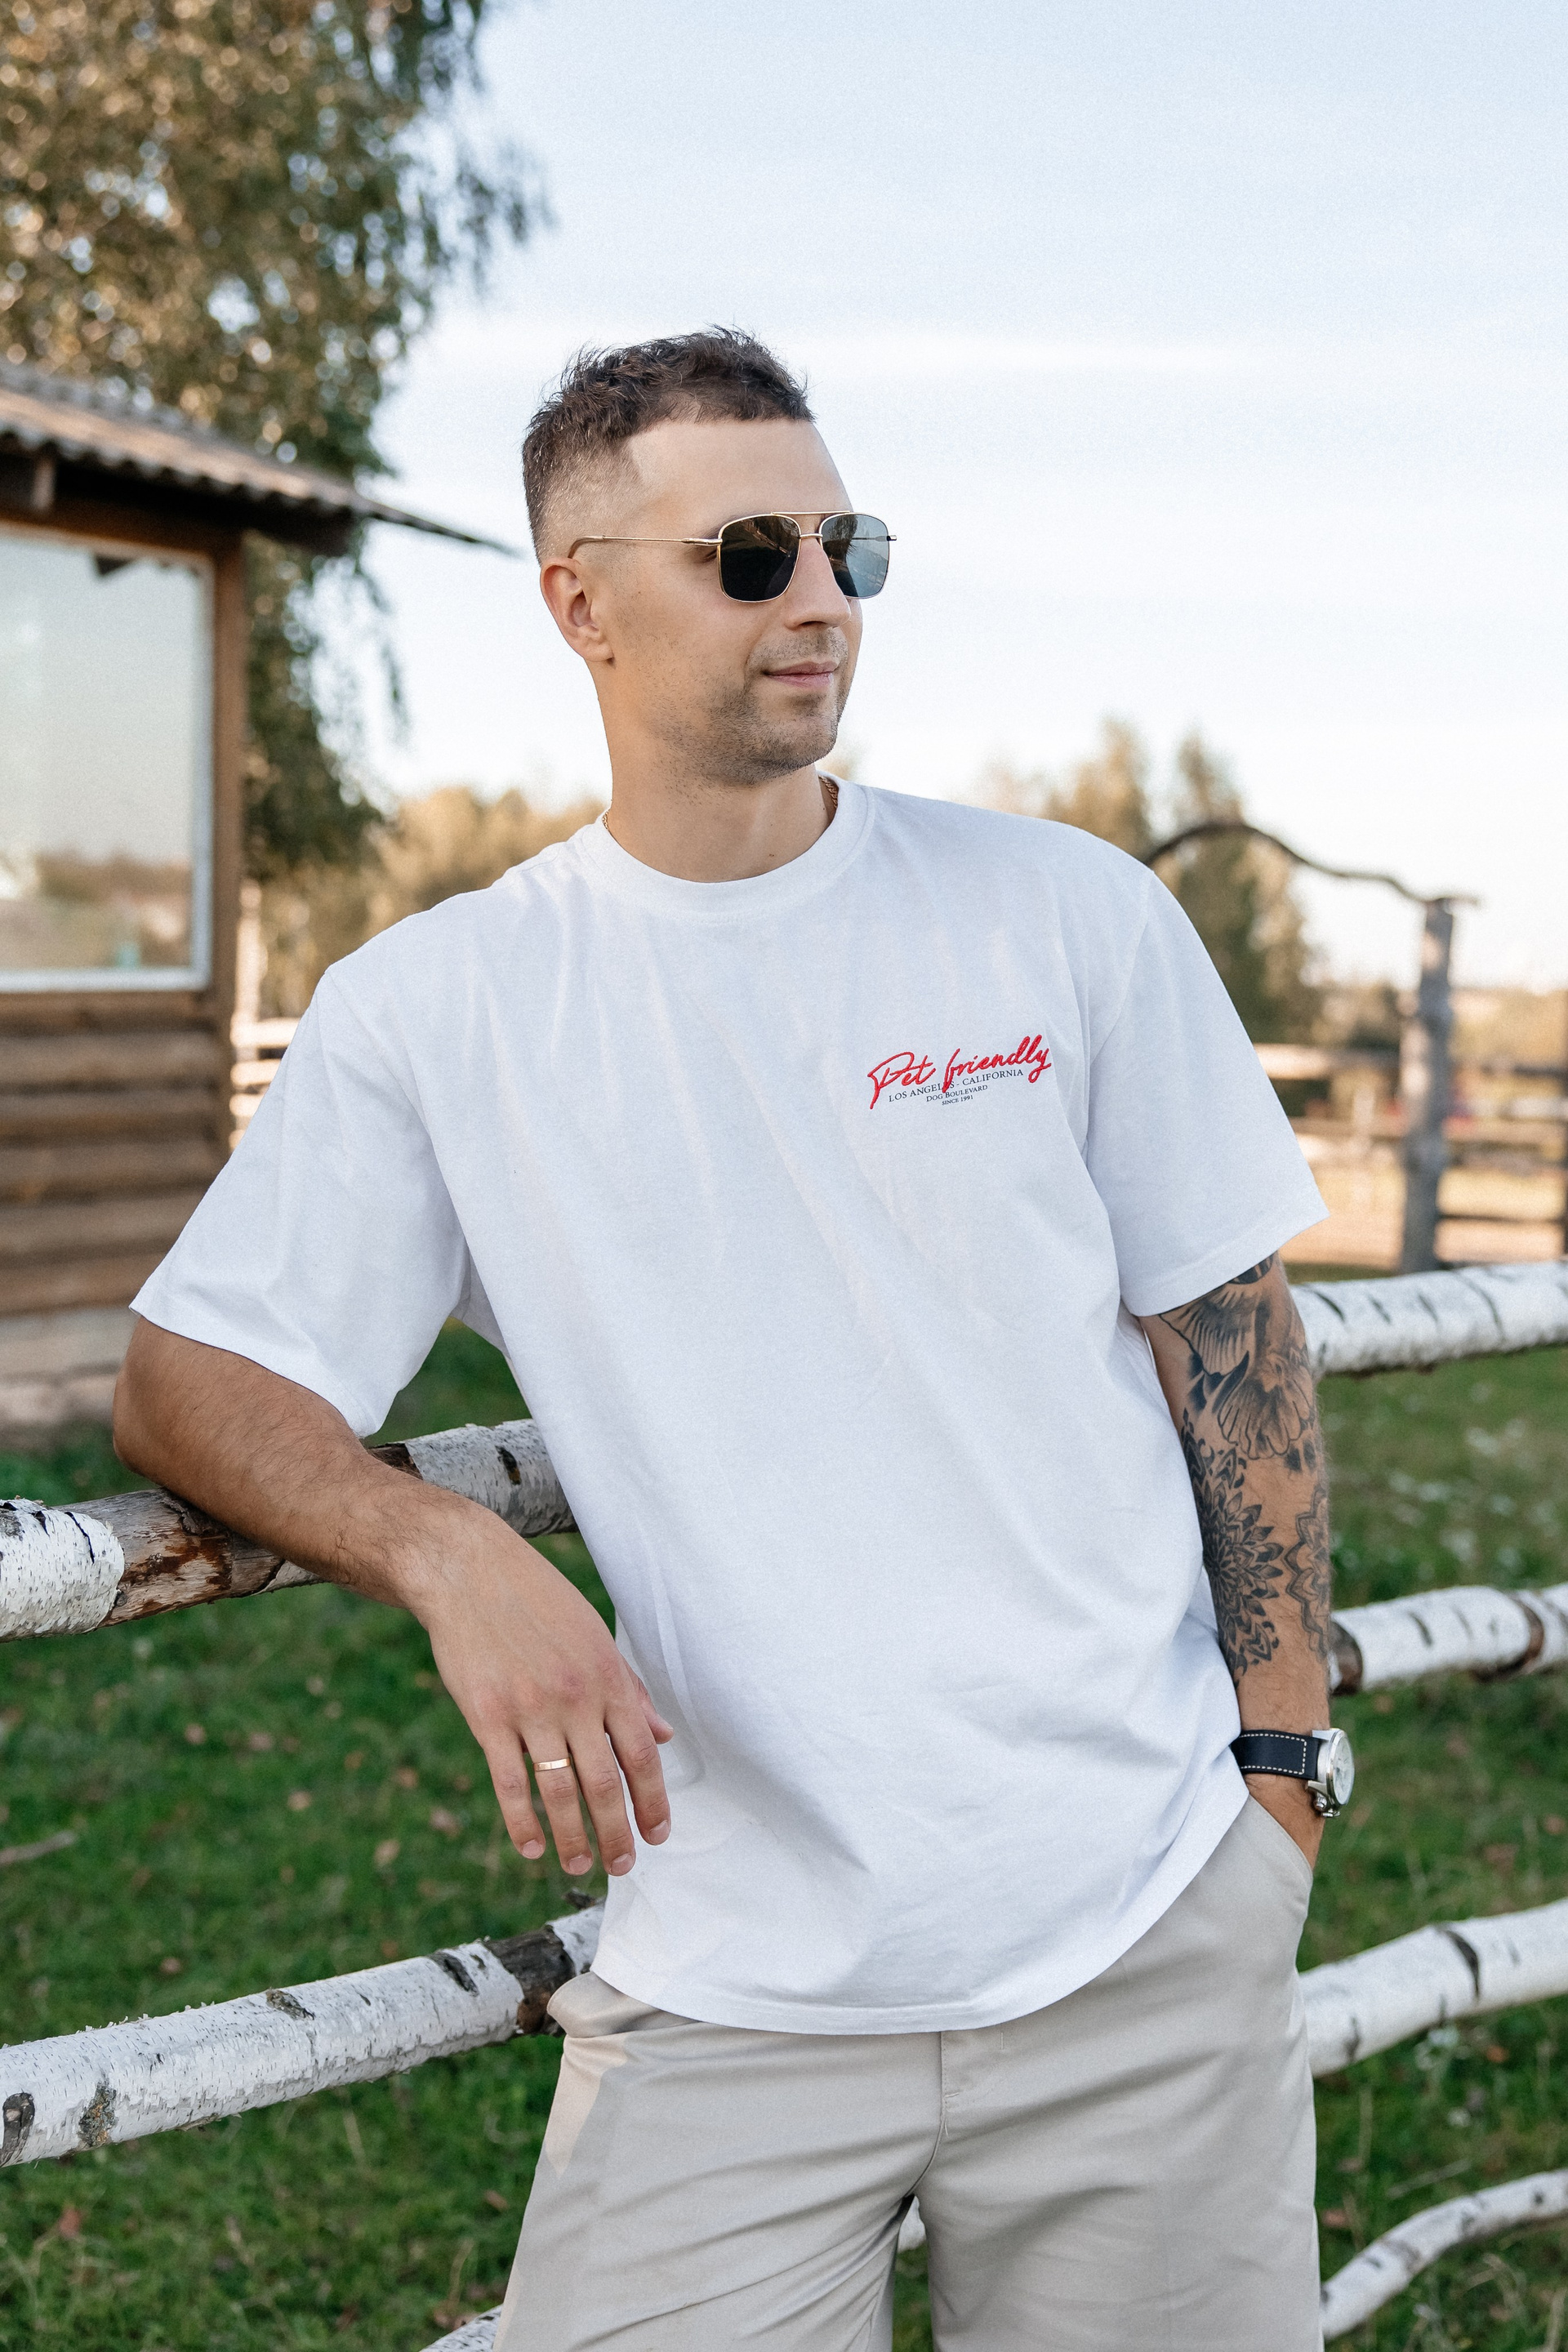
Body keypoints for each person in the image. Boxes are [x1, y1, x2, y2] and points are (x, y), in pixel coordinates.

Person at [115, 327, 1345, 2352]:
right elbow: (190, 1378)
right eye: (752, 555)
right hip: (735, 1982)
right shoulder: (446, 1007)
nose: (825, 600)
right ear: (579, 604)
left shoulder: (1066, 914)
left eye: (852, 547)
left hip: (1144, 1928)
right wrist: (445, 1548)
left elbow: (1240, 1350)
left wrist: (1282, 1782)